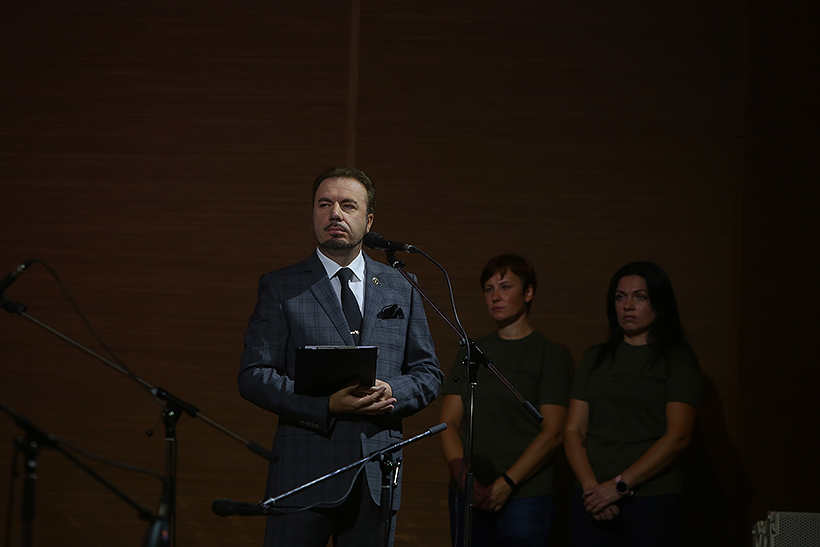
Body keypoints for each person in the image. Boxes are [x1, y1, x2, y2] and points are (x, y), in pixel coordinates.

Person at [238, 166, 442, 547]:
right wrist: (325, 405)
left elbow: (428, 373)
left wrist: (391, 391)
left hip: (377, 476)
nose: (335, 214)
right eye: (324, 204)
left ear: (369, 221)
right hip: (302, 475)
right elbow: (254, 375)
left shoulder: (402, 285)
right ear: (312, 215)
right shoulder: (281, 285)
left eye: (348, 205)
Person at [564, 261, 704, 547]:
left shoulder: (677, 361)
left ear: (660, 303)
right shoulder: (596, 357)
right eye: (620, 297)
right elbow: (572, 431)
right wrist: (593, 490)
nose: (628, 305)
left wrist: (617, 487)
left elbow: (678, 437)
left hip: (651, 497)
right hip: (592, 497)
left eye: (640, 297)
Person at [439, 253, 573, 547]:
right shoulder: (471, 351)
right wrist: (464, 478)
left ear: (528, 293)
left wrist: (508, 482)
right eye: (489, 289)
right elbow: (448, 423)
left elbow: (553, 431)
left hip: (526, 494)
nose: (495, 297)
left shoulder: (548, 355)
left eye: (505, 287)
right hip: (470, 489)